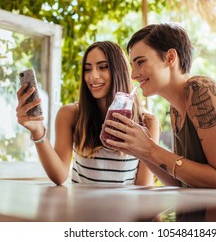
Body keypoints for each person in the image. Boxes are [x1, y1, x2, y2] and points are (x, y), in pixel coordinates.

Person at [103, 23, 216, 221]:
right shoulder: (176, 109)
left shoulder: (200, 90)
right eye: (132, 65)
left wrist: (150, 149)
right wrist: (140, 150)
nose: (133, 74)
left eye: (140, 62)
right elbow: (181, 181)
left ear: (170, 58)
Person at [16, 41, 159, 186]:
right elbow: (59, 176)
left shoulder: (147, 122)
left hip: (125, 208)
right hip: (80, 208)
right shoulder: (70, 114)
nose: (93, 76)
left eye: (103, 67)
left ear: (120, 71)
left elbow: (143, 188)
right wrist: (37, 131)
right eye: (87, 69)